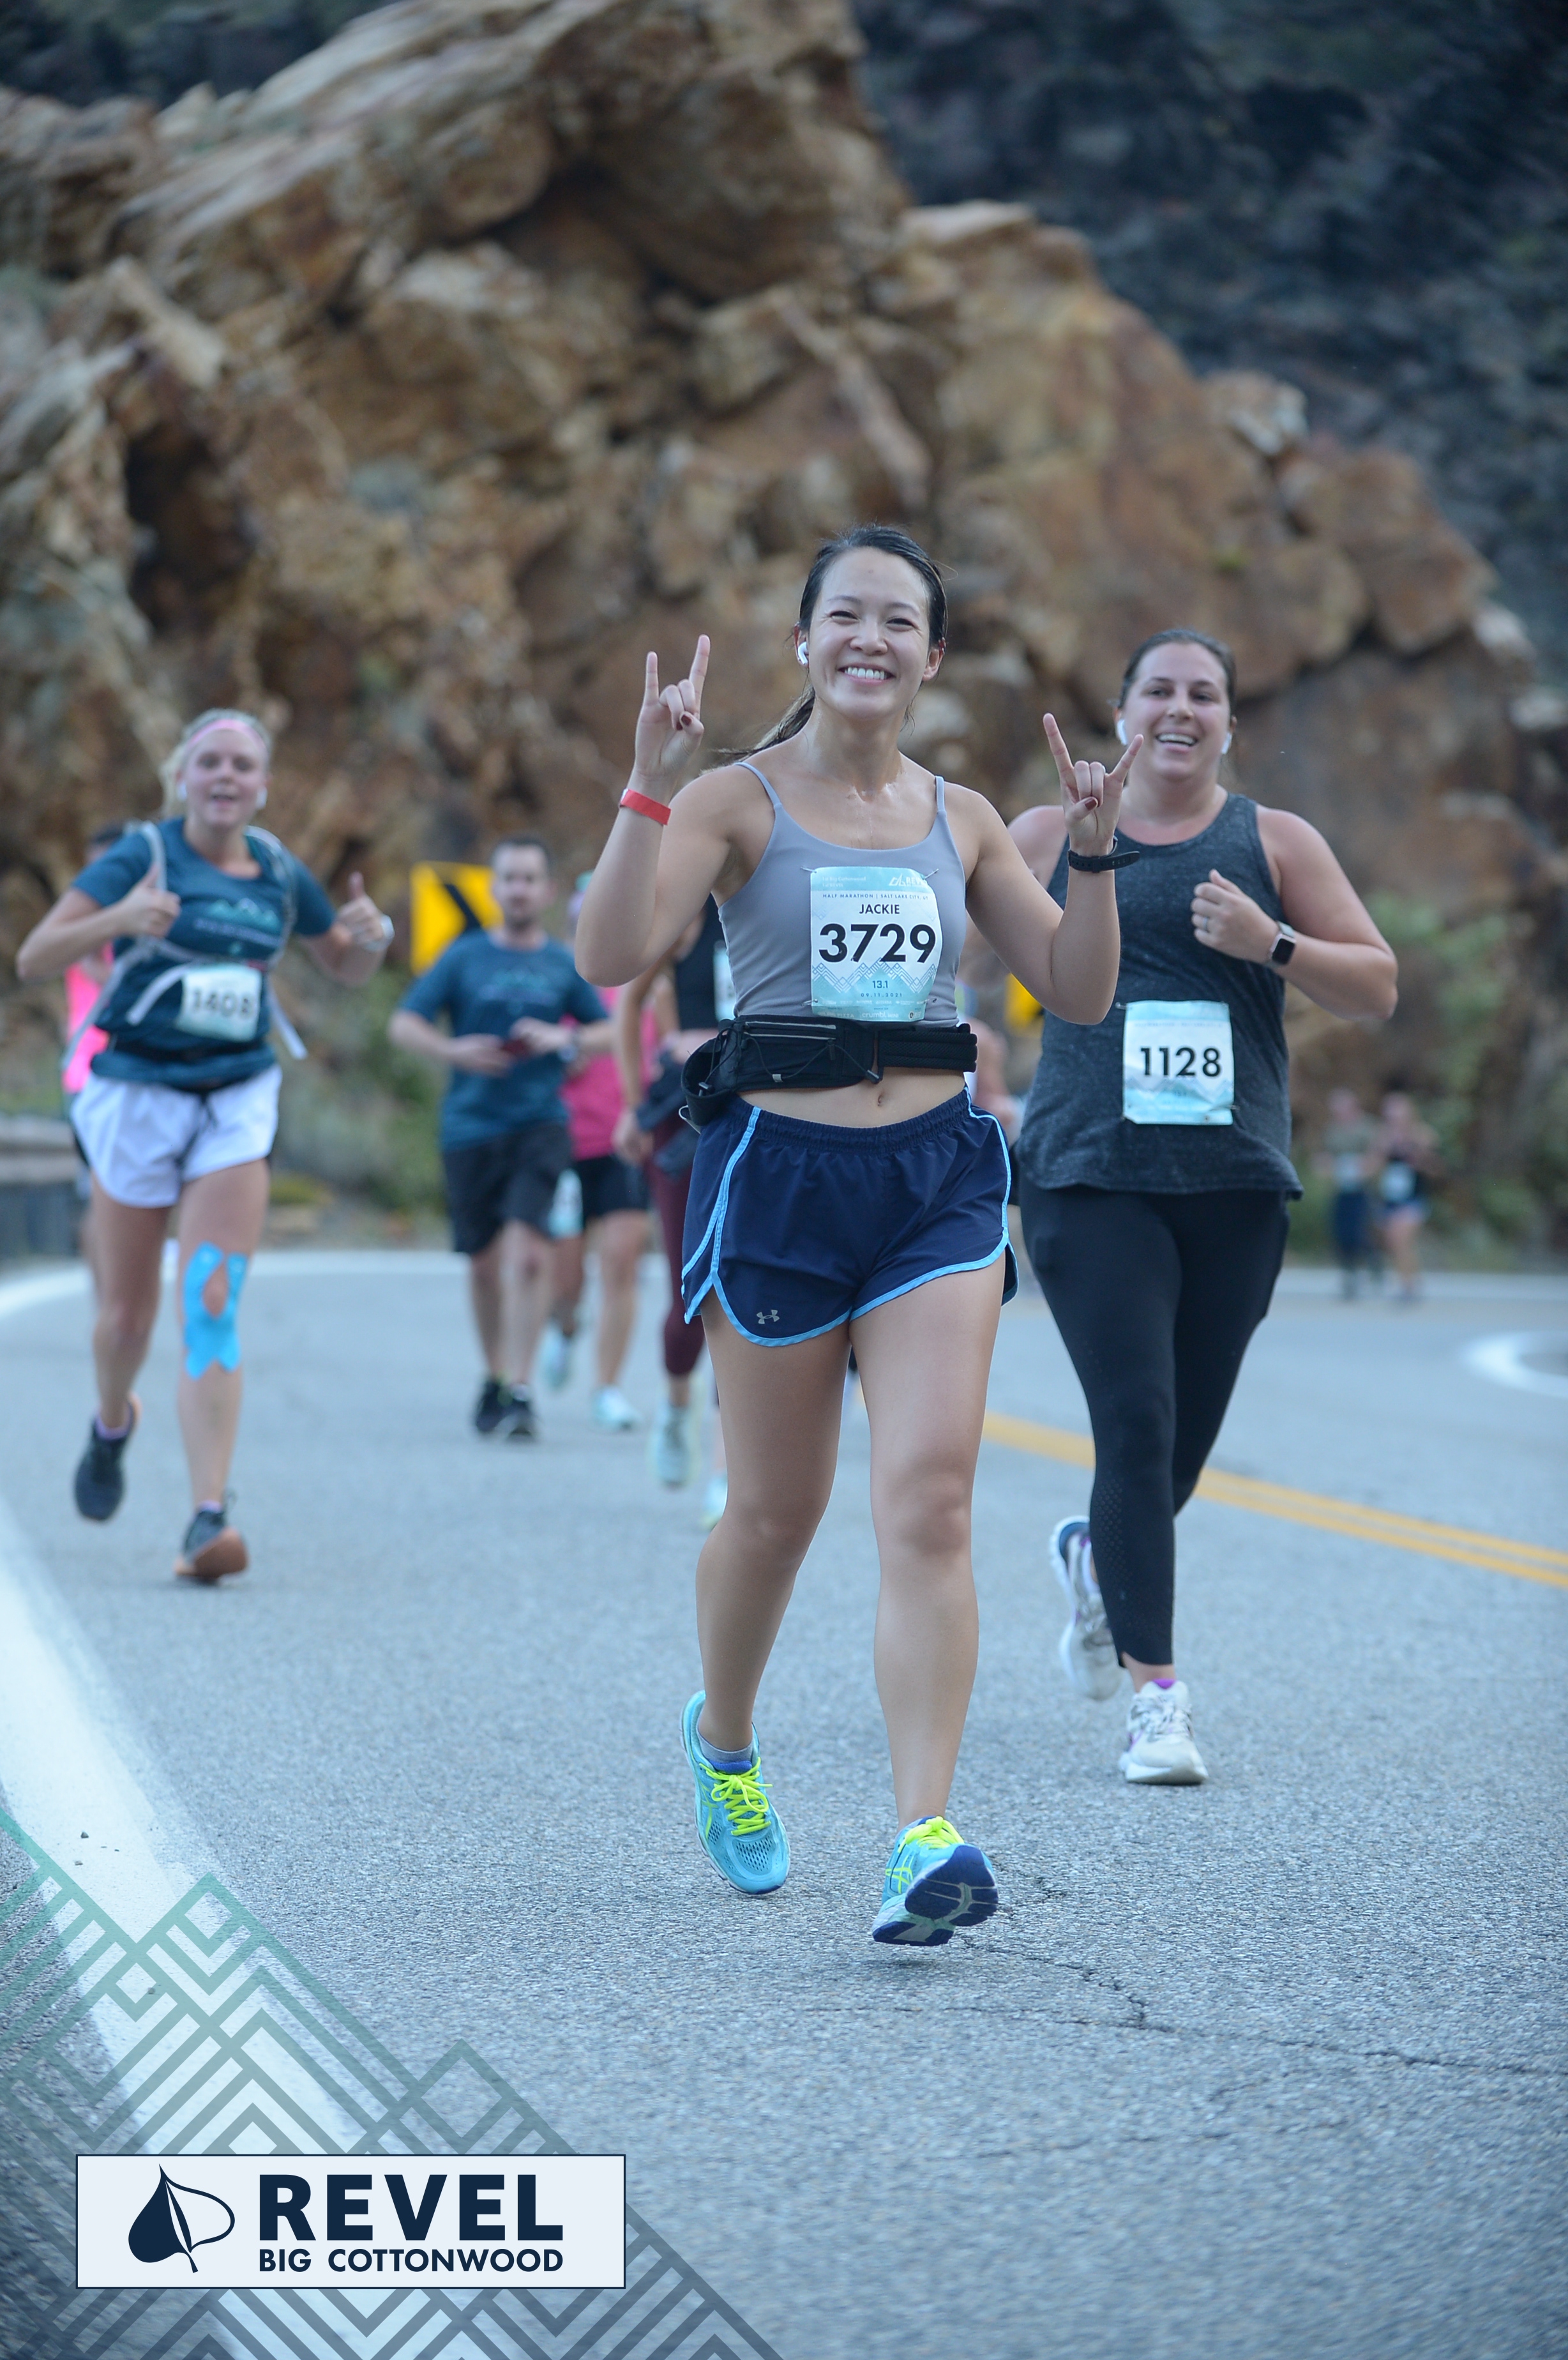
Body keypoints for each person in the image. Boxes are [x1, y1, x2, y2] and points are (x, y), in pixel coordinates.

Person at [575, 523, 1133, 1946]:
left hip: (936, 1182)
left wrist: (1095, 856)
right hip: (779, 1178)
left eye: (899, 621)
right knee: (776, 1514)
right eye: (846, 615)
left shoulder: (962, 818)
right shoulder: (735, 798)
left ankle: (919, 1835)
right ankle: (724, 1738)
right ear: (805, 639)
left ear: (931, 657)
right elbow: (610, 955)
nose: (870, 639)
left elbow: (1074, 990)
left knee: (931, 1503)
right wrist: (647, 783)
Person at [1011, 629, 1398, 1783]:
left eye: (1204, 694)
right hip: (1088, 1175)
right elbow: (959, 959)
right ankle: (1158, 1702)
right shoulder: (1048, 836)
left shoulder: (1273, 842)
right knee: (1133, 1422)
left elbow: (1376, 984)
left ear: (1230, 721)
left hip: (1233, 1182)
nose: (1180, 709)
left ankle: (1097, 1557)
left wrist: (1271, 942)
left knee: (1174, 1448)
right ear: (1121, 712)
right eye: (1159, 690)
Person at [16, 710, 392, 1580]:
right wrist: (121, 915)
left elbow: (341, 961)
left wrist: (371, 942)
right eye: (210, 762)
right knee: (125, 1318)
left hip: (236, 1096)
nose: (226, 776)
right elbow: (36, 956)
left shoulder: (276, 869)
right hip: (138, 1094)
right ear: (182, 776)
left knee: (212, 1298)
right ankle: (113, 1421)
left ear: (262, 786)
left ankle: (207, 1518)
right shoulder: (142, 855)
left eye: (243, 765)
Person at [388, 837, 609, 1441]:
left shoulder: (562, 964)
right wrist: (452, 1050)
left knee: (531, 1253)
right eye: (509, 878)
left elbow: (609, 1030)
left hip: (540, 1124)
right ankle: (492, 1375)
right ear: (493, 888)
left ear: (547, 890)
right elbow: (404, 1023)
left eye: (530, 879)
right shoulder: (463, 956)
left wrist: (563, 1040)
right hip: (470, 1125)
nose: (519, 889)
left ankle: (521, 1386)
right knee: (484, 1264)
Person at [610, 900, 731, 1516]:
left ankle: (727, 1473)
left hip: (769, 1111)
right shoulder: (690, 912)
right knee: (692, 1292)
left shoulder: (796, 894)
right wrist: (633, 1105)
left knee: (745, 1291)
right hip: (686, 1117)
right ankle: (678, 1405)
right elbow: (627, 1003)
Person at [546, 939, 652, 1431]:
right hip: (566, 1144)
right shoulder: (560, 985)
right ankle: (565, 1327)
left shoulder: (649, 983)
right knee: (566, 1277)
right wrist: (564, 1049)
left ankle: (607, 1388)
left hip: (624, 1144)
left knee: (621, 1262)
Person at [1374, 1088, 1441, 1301]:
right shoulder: (1384, 1136)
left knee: (1401, 1239)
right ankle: (1411, 1281)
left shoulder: (1423, 1135)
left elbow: (1437, 1168)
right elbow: (1375, 1164)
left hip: (1414, 1197)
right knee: (1394, 1242)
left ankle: (1407, 1287)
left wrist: (1419, 1160)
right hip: (1391, 1197)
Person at [1316, 1085, 1379, 1297]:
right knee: (1342, 1232)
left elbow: (1377, 1154)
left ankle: (1373, 1266)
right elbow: (1325, 1156)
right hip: (1341, 1188)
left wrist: (1366, 1167)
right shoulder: (1333, 1131)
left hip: (1363, 1188)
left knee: (1362, 1231)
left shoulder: (1366, 1127)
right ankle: (1349, 1274)